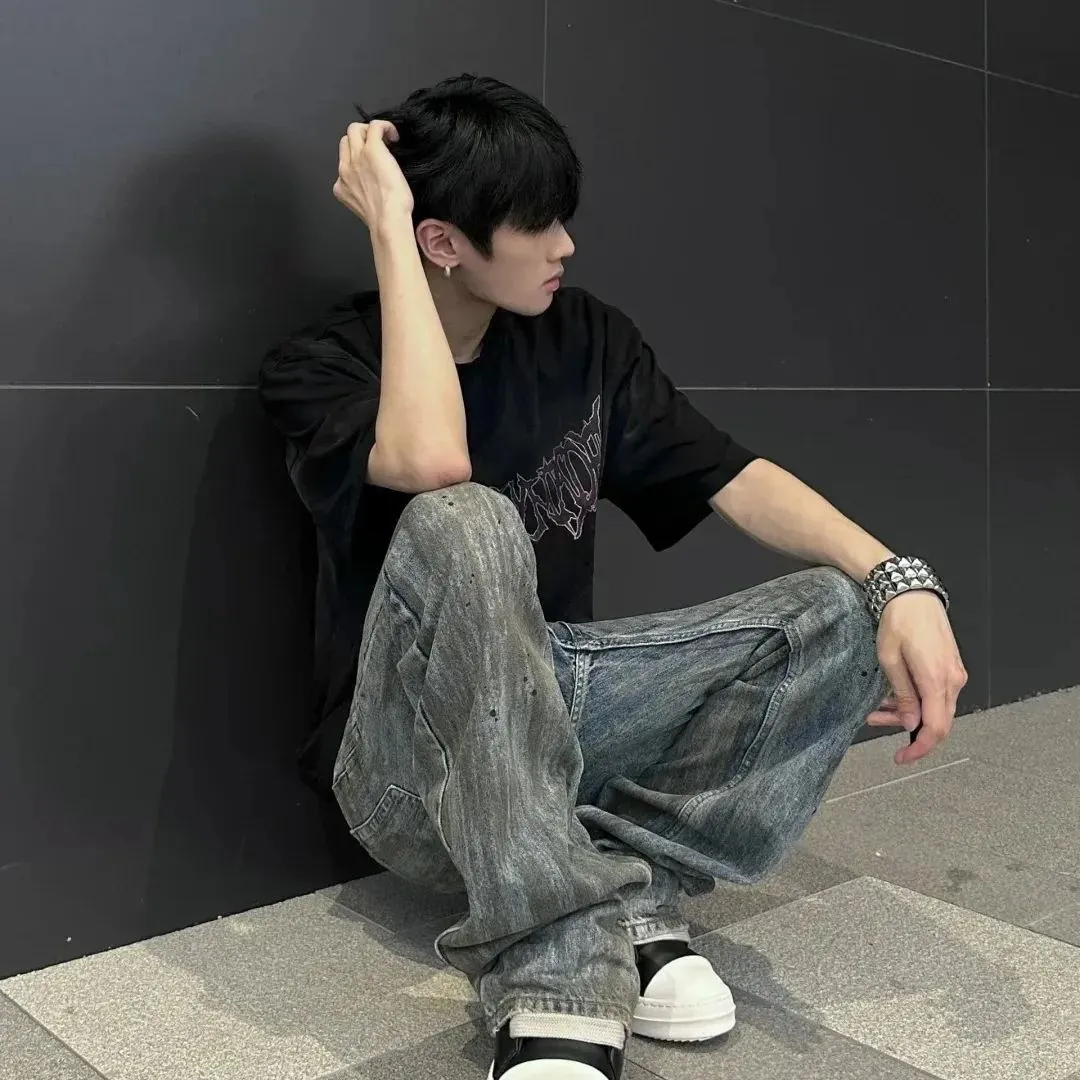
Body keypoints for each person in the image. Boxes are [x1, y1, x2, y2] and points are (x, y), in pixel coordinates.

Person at [259, 74, 967, 1080]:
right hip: (407, 766)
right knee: (465, 518)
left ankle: (624, 888)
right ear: (443, 241)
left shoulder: (584, 337)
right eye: (537, 226)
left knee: (845, 606)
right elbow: (432, 462)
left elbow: (731, 476)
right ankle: (557, 964)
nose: (565, 246)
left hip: (557, 721)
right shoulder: (319, 365)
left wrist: (903, 582)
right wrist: (389, 232)